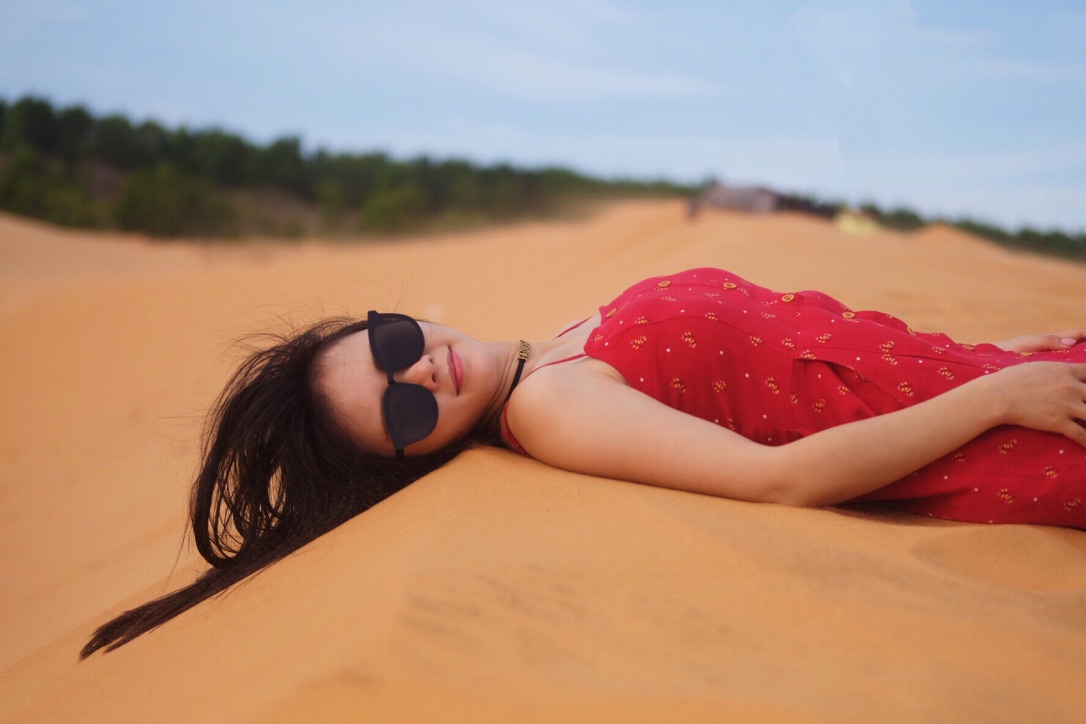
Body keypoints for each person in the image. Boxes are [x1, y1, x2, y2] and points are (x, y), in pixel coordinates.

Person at [81, 267, 1086, 658]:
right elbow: (783, 479)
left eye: (391, 345)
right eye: (400, 408)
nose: (419, 371)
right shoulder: (551, 408)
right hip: (1003, 436)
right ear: (408, 459)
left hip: (996, 383)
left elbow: (804, 346)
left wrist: (991, 359)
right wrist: (995, 401)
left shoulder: (557, 346)